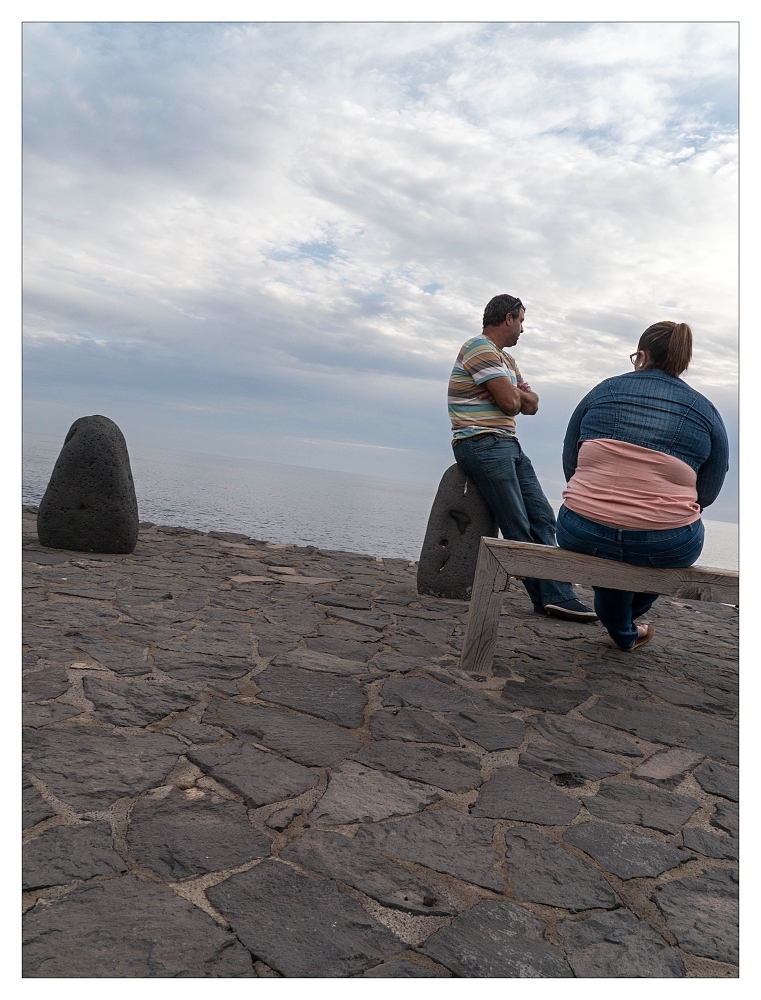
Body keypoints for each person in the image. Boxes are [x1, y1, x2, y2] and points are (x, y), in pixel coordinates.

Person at [556, 320, 729, 651]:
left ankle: (624, 629)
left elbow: (571, 463)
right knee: (664, 546)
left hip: (580, 528)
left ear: (642, 355)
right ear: (682, 360)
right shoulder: (706, 412)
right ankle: (625, 629)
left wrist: (603, 505)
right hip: (666, 541)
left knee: (609, 550)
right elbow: (707, 493)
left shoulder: (603, 391)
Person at [449, 293, 597, 622]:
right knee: (516, 522)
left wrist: (510, 392)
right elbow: (513, 404)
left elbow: (532, 404)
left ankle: (556, 596)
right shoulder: (479, 348)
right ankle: (553, 597)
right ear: (508, 319)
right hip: (481, 442)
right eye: (522, 322)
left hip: (508, 444)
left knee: (543, 518)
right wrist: (512, 394)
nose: (523, 330)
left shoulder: (506, 361)